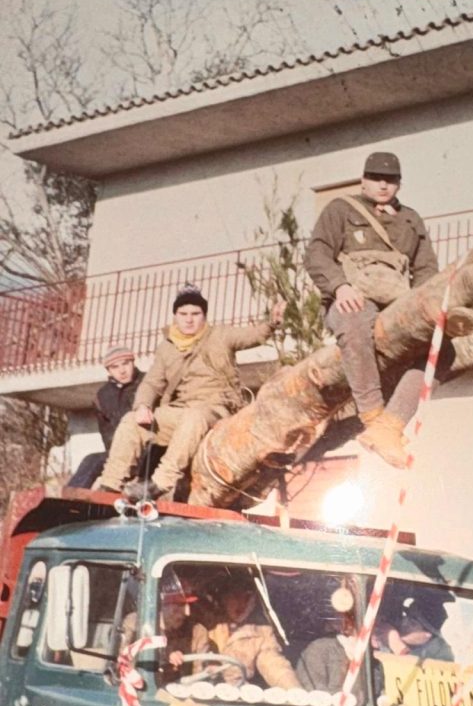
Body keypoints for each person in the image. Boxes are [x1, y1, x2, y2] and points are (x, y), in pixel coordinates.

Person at [305, 151, 439, 469]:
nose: (383, 185)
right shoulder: (341, 209)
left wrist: (423, 309)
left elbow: (426, 270)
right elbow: (317, 253)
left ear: (399, 184)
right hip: (351, 297)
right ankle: (373, 415)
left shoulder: (411, 220)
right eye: (376, 178)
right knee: (354, 320)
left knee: (439, 347)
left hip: (396, 303)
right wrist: (340, 287)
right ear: (363, 180)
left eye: (390, 180)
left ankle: (390, 426)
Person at [97, 284, 283, 501]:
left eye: (196, 313)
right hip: (181, 411)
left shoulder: (221, 335)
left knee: (194, 416)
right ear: (175, 316)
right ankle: (109, 486)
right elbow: (150, 383)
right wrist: (142, 406)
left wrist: (272, 323)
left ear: (204, 316)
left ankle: (159, 483)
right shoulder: (166, 348)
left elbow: (252, 335)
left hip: (216, 407)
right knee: (131, 421)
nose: (189, 319)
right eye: (183, 314)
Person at [207, 571, 300, 689]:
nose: (242, 603)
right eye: (235, 596)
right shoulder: (204, 625)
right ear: (224, 598)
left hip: (230, 695)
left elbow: (274, 665)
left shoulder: (260, 633)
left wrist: (294, 692)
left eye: (248, 597)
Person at [67, 345, 144, 488]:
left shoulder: (148, 383)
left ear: (133, 362)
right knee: (91, 460)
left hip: (147, 450)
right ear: (108, 370)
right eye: (115, 367)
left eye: (126, 364)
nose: (122, 371)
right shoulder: (103, 396)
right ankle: (70, 499)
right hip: (120, 452)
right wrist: (115, 454)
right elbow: (106, 432)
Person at [122, 570, 213, 684]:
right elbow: (122, 666)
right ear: (161, 605)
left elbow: (200, 677)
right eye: (179, 606)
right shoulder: (135, 625)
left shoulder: (197, 632)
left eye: (189, 605)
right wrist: (164, 657)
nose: (187, 612)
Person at [373, 592, 454, 663]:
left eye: (412, 623)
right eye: (407, 616)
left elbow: (414, 676)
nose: (404, 621)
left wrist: (396, 644)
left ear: (426, 635)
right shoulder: (397, 635)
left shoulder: (441, 655)